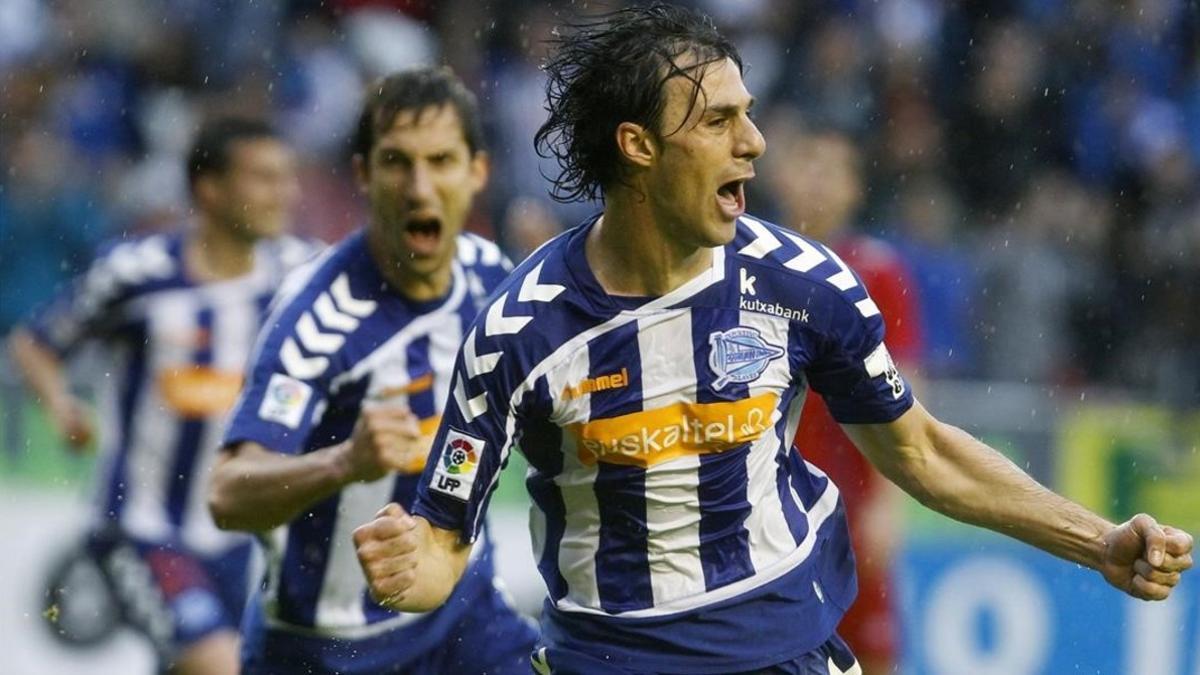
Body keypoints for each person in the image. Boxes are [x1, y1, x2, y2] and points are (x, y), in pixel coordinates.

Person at [353, 5, 1195, 674]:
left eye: (748, 116)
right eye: (720, 121)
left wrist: (1100, 540)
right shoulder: (519, 331)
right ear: (639, 147)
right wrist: (409, 563)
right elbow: (442, 541)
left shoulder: (802, 282)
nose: (753, 144)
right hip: (610, 660)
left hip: (784, 650)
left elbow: (924, 453)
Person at [209, 67, 538, 675]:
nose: (420, 187)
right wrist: (343, 463)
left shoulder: (496, 282)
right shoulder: (319, 318)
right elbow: (227, 495)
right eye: (396, 162)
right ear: (362, 174)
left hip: (465, 619)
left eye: (441, 160)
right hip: (325, 648)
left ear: (477, 172)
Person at [8, 116, 314, 675]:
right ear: (210, 188)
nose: (284, 194)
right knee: (217, 665)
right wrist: (61, 407)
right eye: (264, 178)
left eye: (287, 178)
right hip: (143, 529)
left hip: (242, 539)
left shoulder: (303, 275)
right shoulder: (138, 274)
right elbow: (35, 343)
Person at [765, 123, 923, 674]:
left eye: (834, 171)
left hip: (851, 501)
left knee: (871, 652)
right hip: (762, 503)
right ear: (780, 174)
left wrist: (890, 500)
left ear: (856, 189)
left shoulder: (879, 271)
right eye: (808, 164)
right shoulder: (742, 263)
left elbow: (909, 387)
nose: (818, 182)